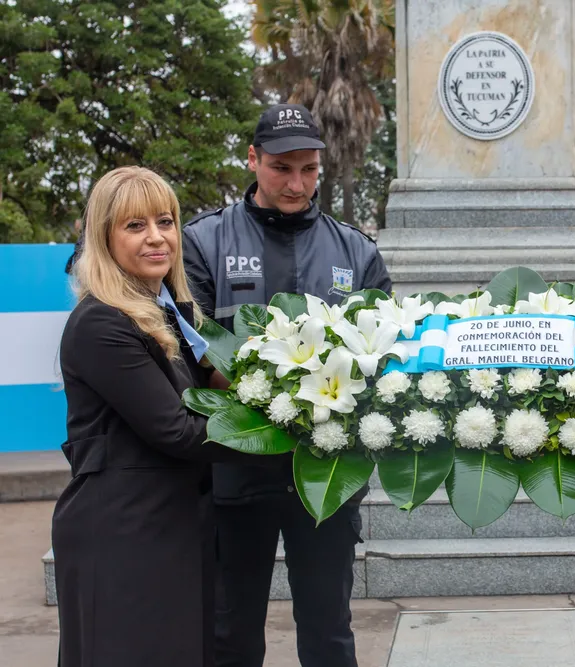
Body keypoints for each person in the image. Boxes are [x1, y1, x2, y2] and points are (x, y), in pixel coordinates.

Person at [183, 103, 392, 667]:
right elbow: (190, 354)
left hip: (325, 474)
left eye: (308, 169)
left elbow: (387, 359)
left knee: (328, 632)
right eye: (281, 168)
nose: (296, 184)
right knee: (230, 633)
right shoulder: (202, 242)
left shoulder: (359, 251)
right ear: (252, 160)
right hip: (234, 471)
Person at [53, 166, 254, 666]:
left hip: (173, 527)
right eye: (134, 226)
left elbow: (211, 391)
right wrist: (284, 433)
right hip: (123, 535)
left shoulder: (170, 310)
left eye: (164, 222)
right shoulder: (102, 321)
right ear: (104, 237)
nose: (156, 238)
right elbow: (178, 431)